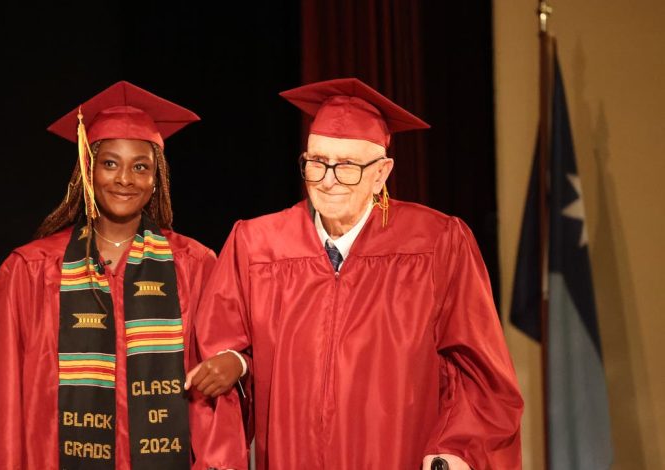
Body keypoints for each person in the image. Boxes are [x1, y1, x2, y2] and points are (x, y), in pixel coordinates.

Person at [188, 78, 524, 469]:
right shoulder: (257, 245)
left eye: (346, 166)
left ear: (381, 173)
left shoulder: (435, 244)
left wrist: (455, 449)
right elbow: (221, 354)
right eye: (317, 162)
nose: (328, 180)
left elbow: (477, 370)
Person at [0, 81, 246, 470]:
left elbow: (217, 393)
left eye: (141, 167)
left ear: (157, 179)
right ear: (88, 170)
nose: (125, 179)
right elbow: (1, 402)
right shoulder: (29, 271)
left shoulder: (195, 265)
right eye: (110, 163)